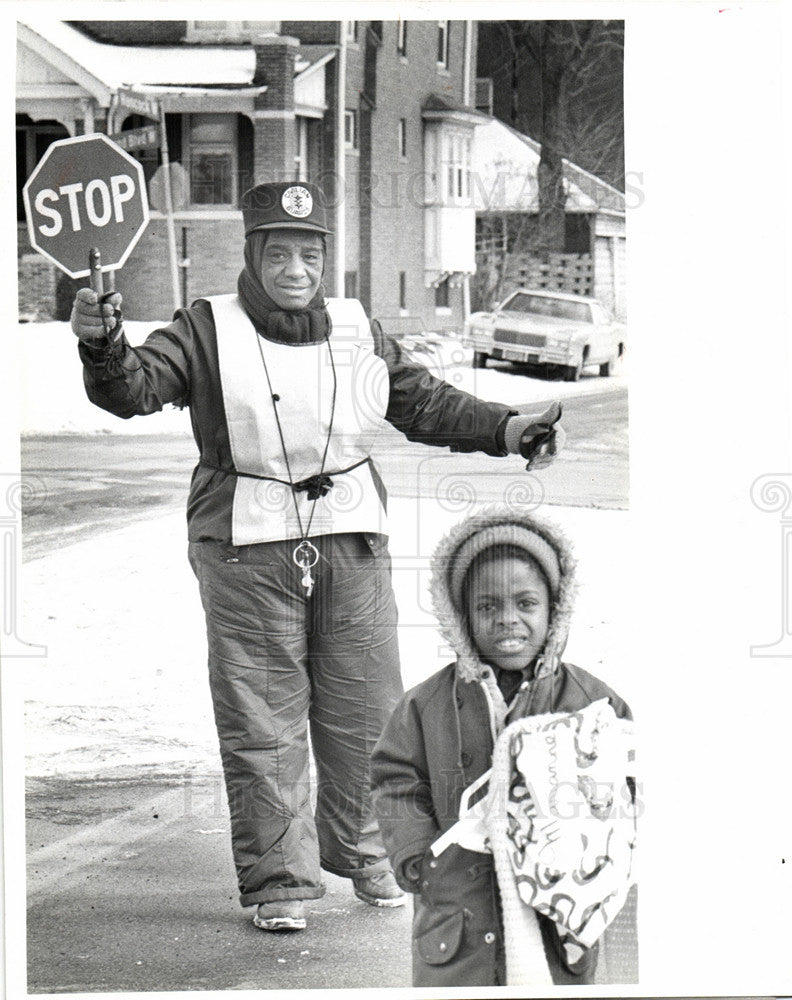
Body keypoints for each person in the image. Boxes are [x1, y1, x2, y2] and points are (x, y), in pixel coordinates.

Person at [70, 181, 564, 933]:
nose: (295, 267)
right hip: (244, 549)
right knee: (262, 717)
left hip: (350, 538)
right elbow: (134, 389)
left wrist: (505, 428)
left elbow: (421, 402)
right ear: (252, 254)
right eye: (278, 251)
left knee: (366, 710)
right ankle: (279, 882)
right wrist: (102, 343)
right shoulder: (205, 327)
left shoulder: (353, 327)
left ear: (325, 257)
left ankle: (366, 852)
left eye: (309, 252)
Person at [370, 506, 635, 986]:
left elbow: (627, 790)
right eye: (487, 606)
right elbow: (395, 781)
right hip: (458, 921)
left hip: (557, 919)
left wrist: (594, 865)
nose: (508, 620)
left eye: (526, 603)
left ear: (555, 608)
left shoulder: (595, 703)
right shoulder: (425, 705)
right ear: (460, 616)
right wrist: (421, 859)